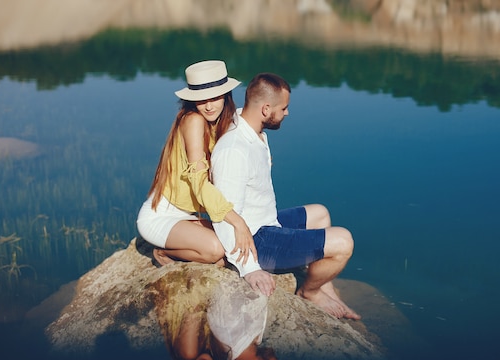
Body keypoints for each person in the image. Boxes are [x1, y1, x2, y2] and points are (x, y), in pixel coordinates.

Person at [210, 72, 360, 320]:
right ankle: (309, 292)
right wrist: (250, 269)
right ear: (266, 109)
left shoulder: (249, 127)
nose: (287, 113)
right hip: (259, 240)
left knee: (320, 213)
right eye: (284, 108)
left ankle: (324, 285)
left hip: (267, 221)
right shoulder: (235, 150)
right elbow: (224, 216)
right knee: (344, 241)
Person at [136, 60, 256, 267]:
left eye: (215, 97)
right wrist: (238, 222)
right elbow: (199, 183)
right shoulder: (194, 120)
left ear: (226, 95)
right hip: (160, 216)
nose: (209, 106)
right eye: (201, 99)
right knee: (216, 250)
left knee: (231, 251)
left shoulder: (222, 121)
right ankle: (163, 252)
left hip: (187, 215)